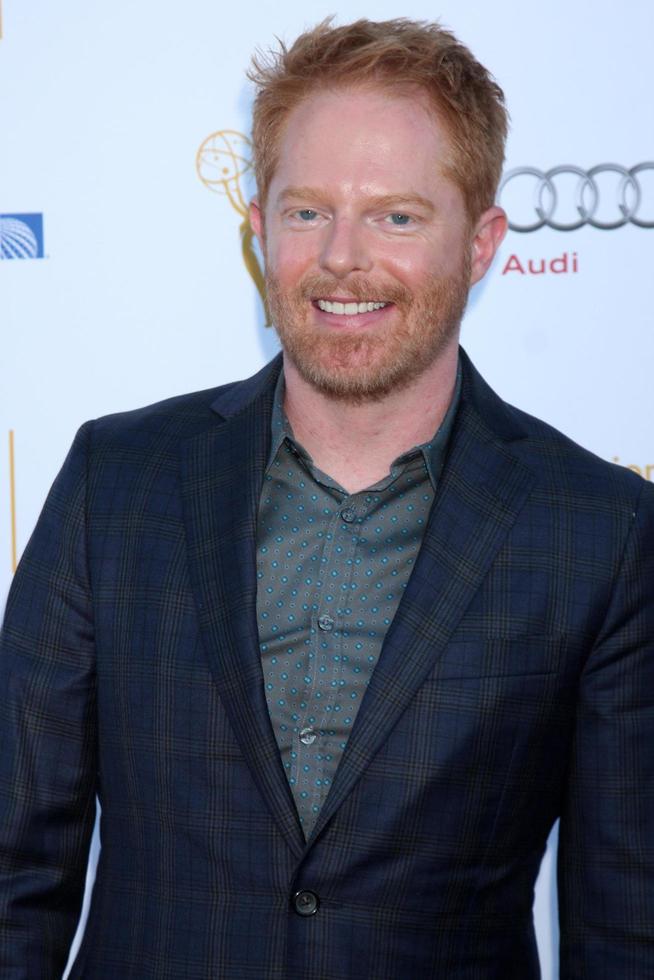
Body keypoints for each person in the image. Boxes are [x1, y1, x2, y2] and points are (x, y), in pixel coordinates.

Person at [1, 17, 652, 980]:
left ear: (481, 245)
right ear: (260, 228)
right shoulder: (117, 481)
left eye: (396, 216)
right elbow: (16, 867)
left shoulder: (600, 531)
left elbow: (627, 929)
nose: (343, 258)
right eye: (308, 212)